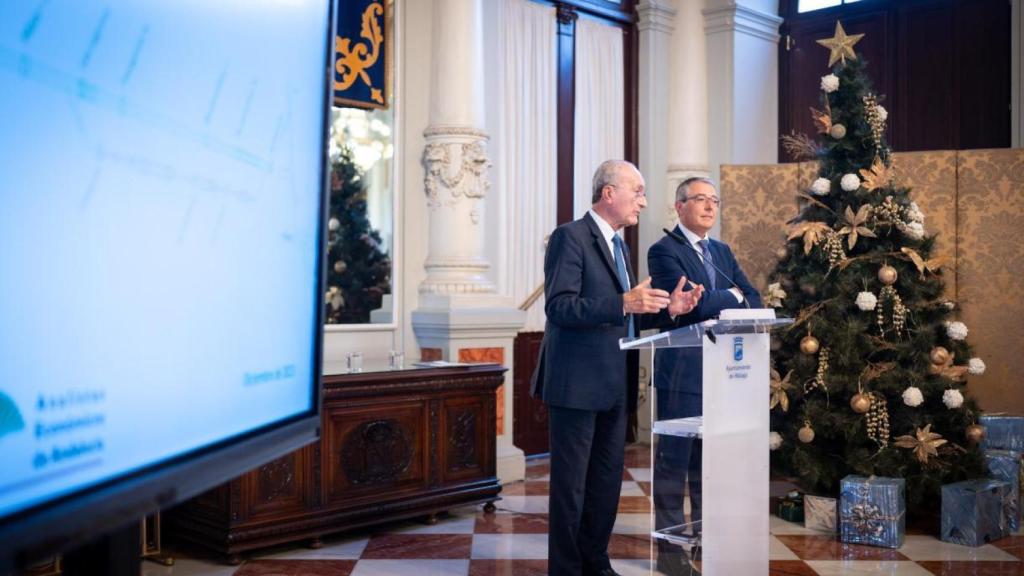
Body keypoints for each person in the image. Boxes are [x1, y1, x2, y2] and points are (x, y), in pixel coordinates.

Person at [531, 160, 701, 576]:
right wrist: (625, 301)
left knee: (606, 483)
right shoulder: (569, 237)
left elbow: (623, 317)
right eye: (638, 191)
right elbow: (560, 307)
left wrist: (669, 309)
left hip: (613, 384)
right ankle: (567, 570)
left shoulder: (620, 246)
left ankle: (596, 562)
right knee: (571, 488)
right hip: (574, 385)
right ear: (609, 193)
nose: (644, 201)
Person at [647, 176, 762, 575]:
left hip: (723, 374)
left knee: (708, 464)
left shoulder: (722, 251)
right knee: (674, 464)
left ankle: (704, 540)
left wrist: (725, 299)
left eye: (714, 200)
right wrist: (730, 298)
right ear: (679, 207)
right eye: (700, 199)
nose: (710, 207)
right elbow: (689, 308)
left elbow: (755, 297)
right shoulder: (663, 251)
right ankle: (670, 551)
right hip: (681, 372)